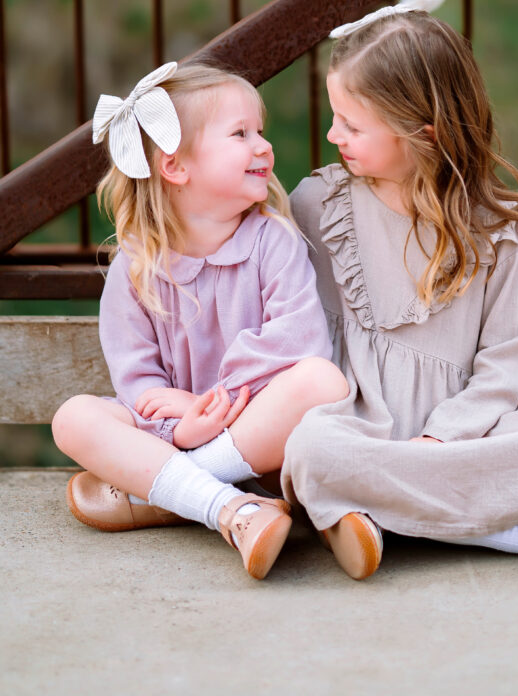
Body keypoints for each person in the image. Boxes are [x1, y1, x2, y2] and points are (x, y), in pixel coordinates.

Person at [281, 0, 518, 580]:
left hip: (478, 423)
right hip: (361, 420)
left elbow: (509, 363)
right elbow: (298, 331)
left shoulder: (499, 228)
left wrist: (441, 439)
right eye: (335, 118)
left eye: (351, 124)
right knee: (311, 451)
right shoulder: (320, 205)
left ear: (424, 133)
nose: (333, 135)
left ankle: (379, 517)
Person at [52, 61, 348, 580]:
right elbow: (138, 382)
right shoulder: (136, 266)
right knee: (73, 418)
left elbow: (299, 341)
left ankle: (178, 496)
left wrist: (214, 403)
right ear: (175, 167)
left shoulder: (272, 241)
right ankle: (228, 509)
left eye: (261, 131)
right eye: (240, 134)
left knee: (321, 382)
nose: (262, 146)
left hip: (259, 441)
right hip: (175, 436)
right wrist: (181, 425)